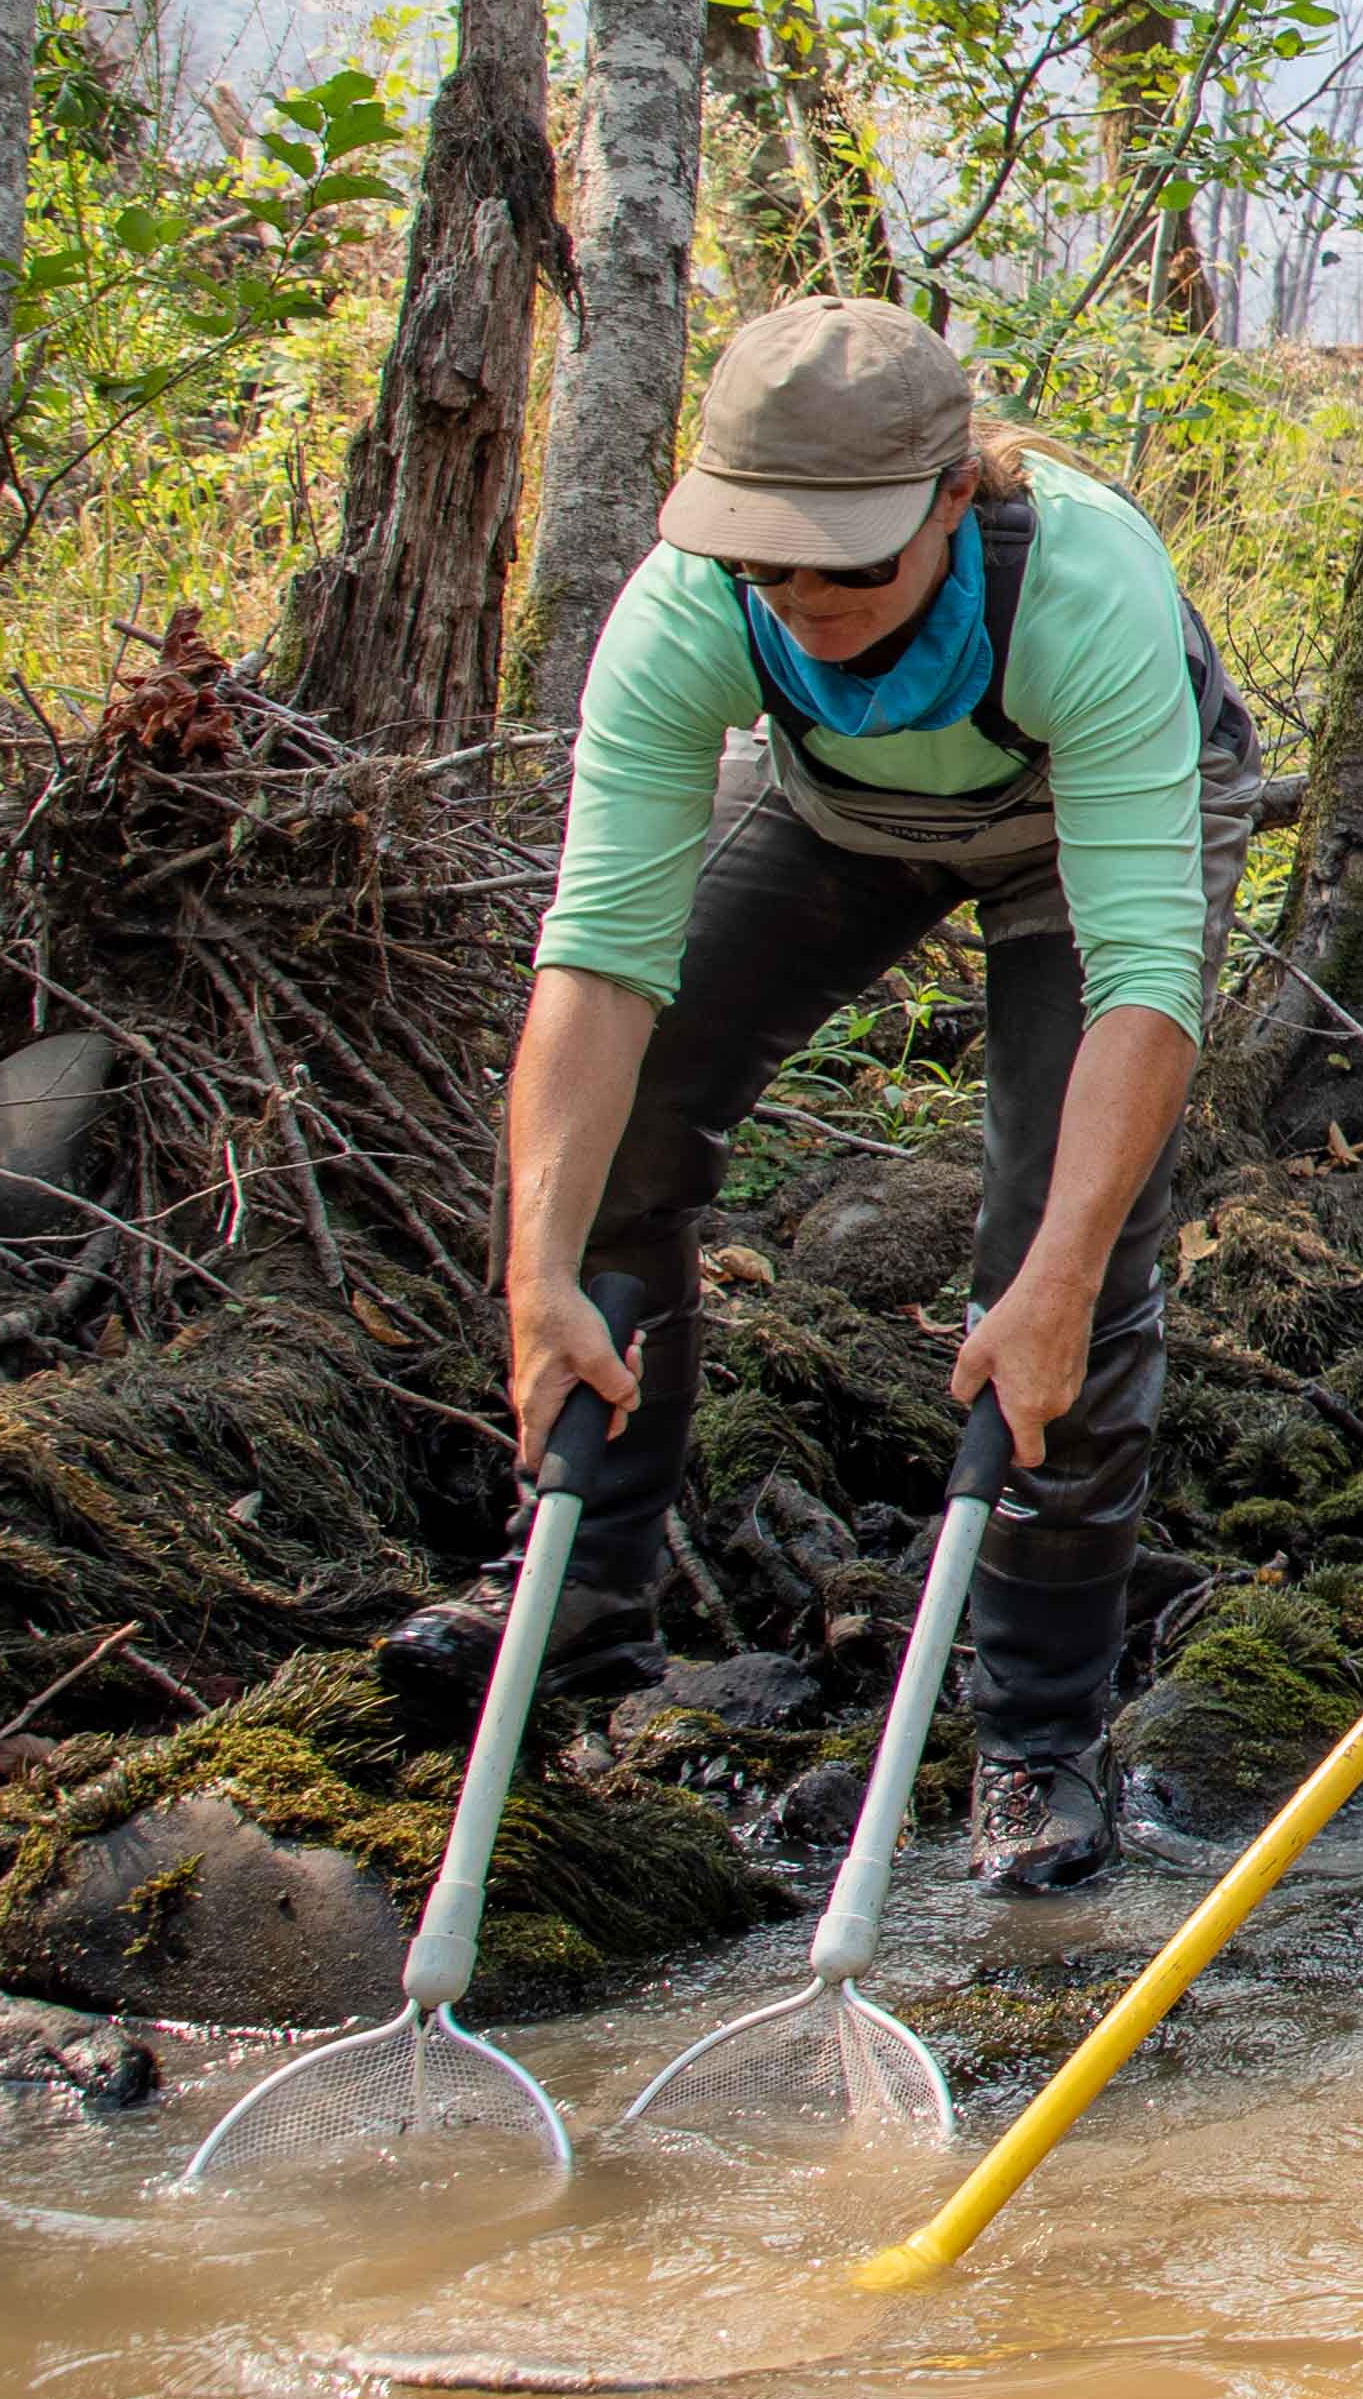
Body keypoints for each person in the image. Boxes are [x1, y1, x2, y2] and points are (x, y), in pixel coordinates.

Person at [438, 300, 1268, 1896]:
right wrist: (539, 1272)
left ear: (954, 497)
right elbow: (599, 959)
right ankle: (577, 1616)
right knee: (617, 1154)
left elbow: (1144, 983)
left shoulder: (1080, 584)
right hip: (838, 812)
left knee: (1059, 1252)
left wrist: (1058, 1276)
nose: (807, 601)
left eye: (851, 564)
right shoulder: (688, 610)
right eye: (773, 566)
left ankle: (1036, 1737)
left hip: (1082, 849)